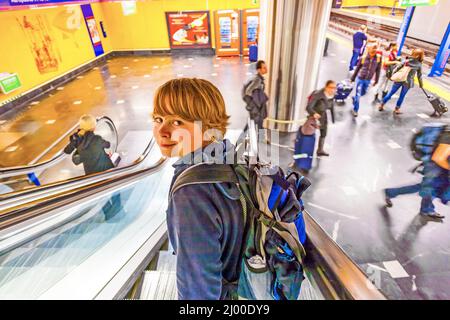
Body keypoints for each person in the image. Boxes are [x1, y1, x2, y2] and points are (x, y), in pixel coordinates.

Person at [152, 78, 245, 300]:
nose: (162, 131)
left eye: (177, 122)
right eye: (158, 118)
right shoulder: (230, 156)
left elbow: (199, 290)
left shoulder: (192, 192)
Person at [384, 128, 450, 219]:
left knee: (428, 188)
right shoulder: (448, 137)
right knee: (427, 188)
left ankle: (426, 209)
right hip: (434, 167)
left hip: (441, 169)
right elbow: (438, 158)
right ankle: (391, 192)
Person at [379, 48, 424, 115]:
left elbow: (397, 68)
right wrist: (421, 84)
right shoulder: (419, 65)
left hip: (399, 79)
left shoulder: (406, 61)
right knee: (402, 96)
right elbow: (419, 76)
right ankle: (397, 109)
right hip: (408, 82)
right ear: (420, 56)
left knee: (391, 93)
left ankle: (382, 105)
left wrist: (392, 76)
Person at [306, 80, 337, 156]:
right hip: (313, 117)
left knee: (323, 133)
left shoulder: (331, 95)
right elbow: (308, 107)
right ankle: (304, 149)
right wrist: (314, 114)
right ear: (326, 87)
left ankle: (320, 150)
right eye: (331, 87)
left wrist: (333, 118)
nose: (333, 90)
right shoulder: (318, 95)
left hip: (323, 115)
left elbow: (331, 106)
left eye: (334, 88)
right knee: (308, 134)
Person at [350, 44, 382, 117]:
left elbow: (378, 70)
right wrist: (352, 78)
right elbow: (357, 69)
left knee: (363, 93)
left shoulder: (378, 58)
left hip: (368, 80)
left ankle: (354, 99)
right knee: (358, 95)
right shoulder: (363, 58)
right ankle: (355, 110)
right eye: (372, 51)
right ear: (368, 50)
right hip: (360, 79)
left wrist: (376, 81)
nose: (373, 53)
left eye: (374, 51)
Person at [242, 60, 269, 130]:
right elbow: (248, 91)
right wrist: (254, 104)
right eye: (264, 68)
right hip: (256, 108)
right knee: (257, 124)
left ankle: (241, 140)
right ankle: (261, 140)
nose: (266, 69)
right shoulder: (257, 80)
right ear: (259, 70)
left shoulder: (260, 79)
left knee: (255, 124)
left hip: (256, 108)